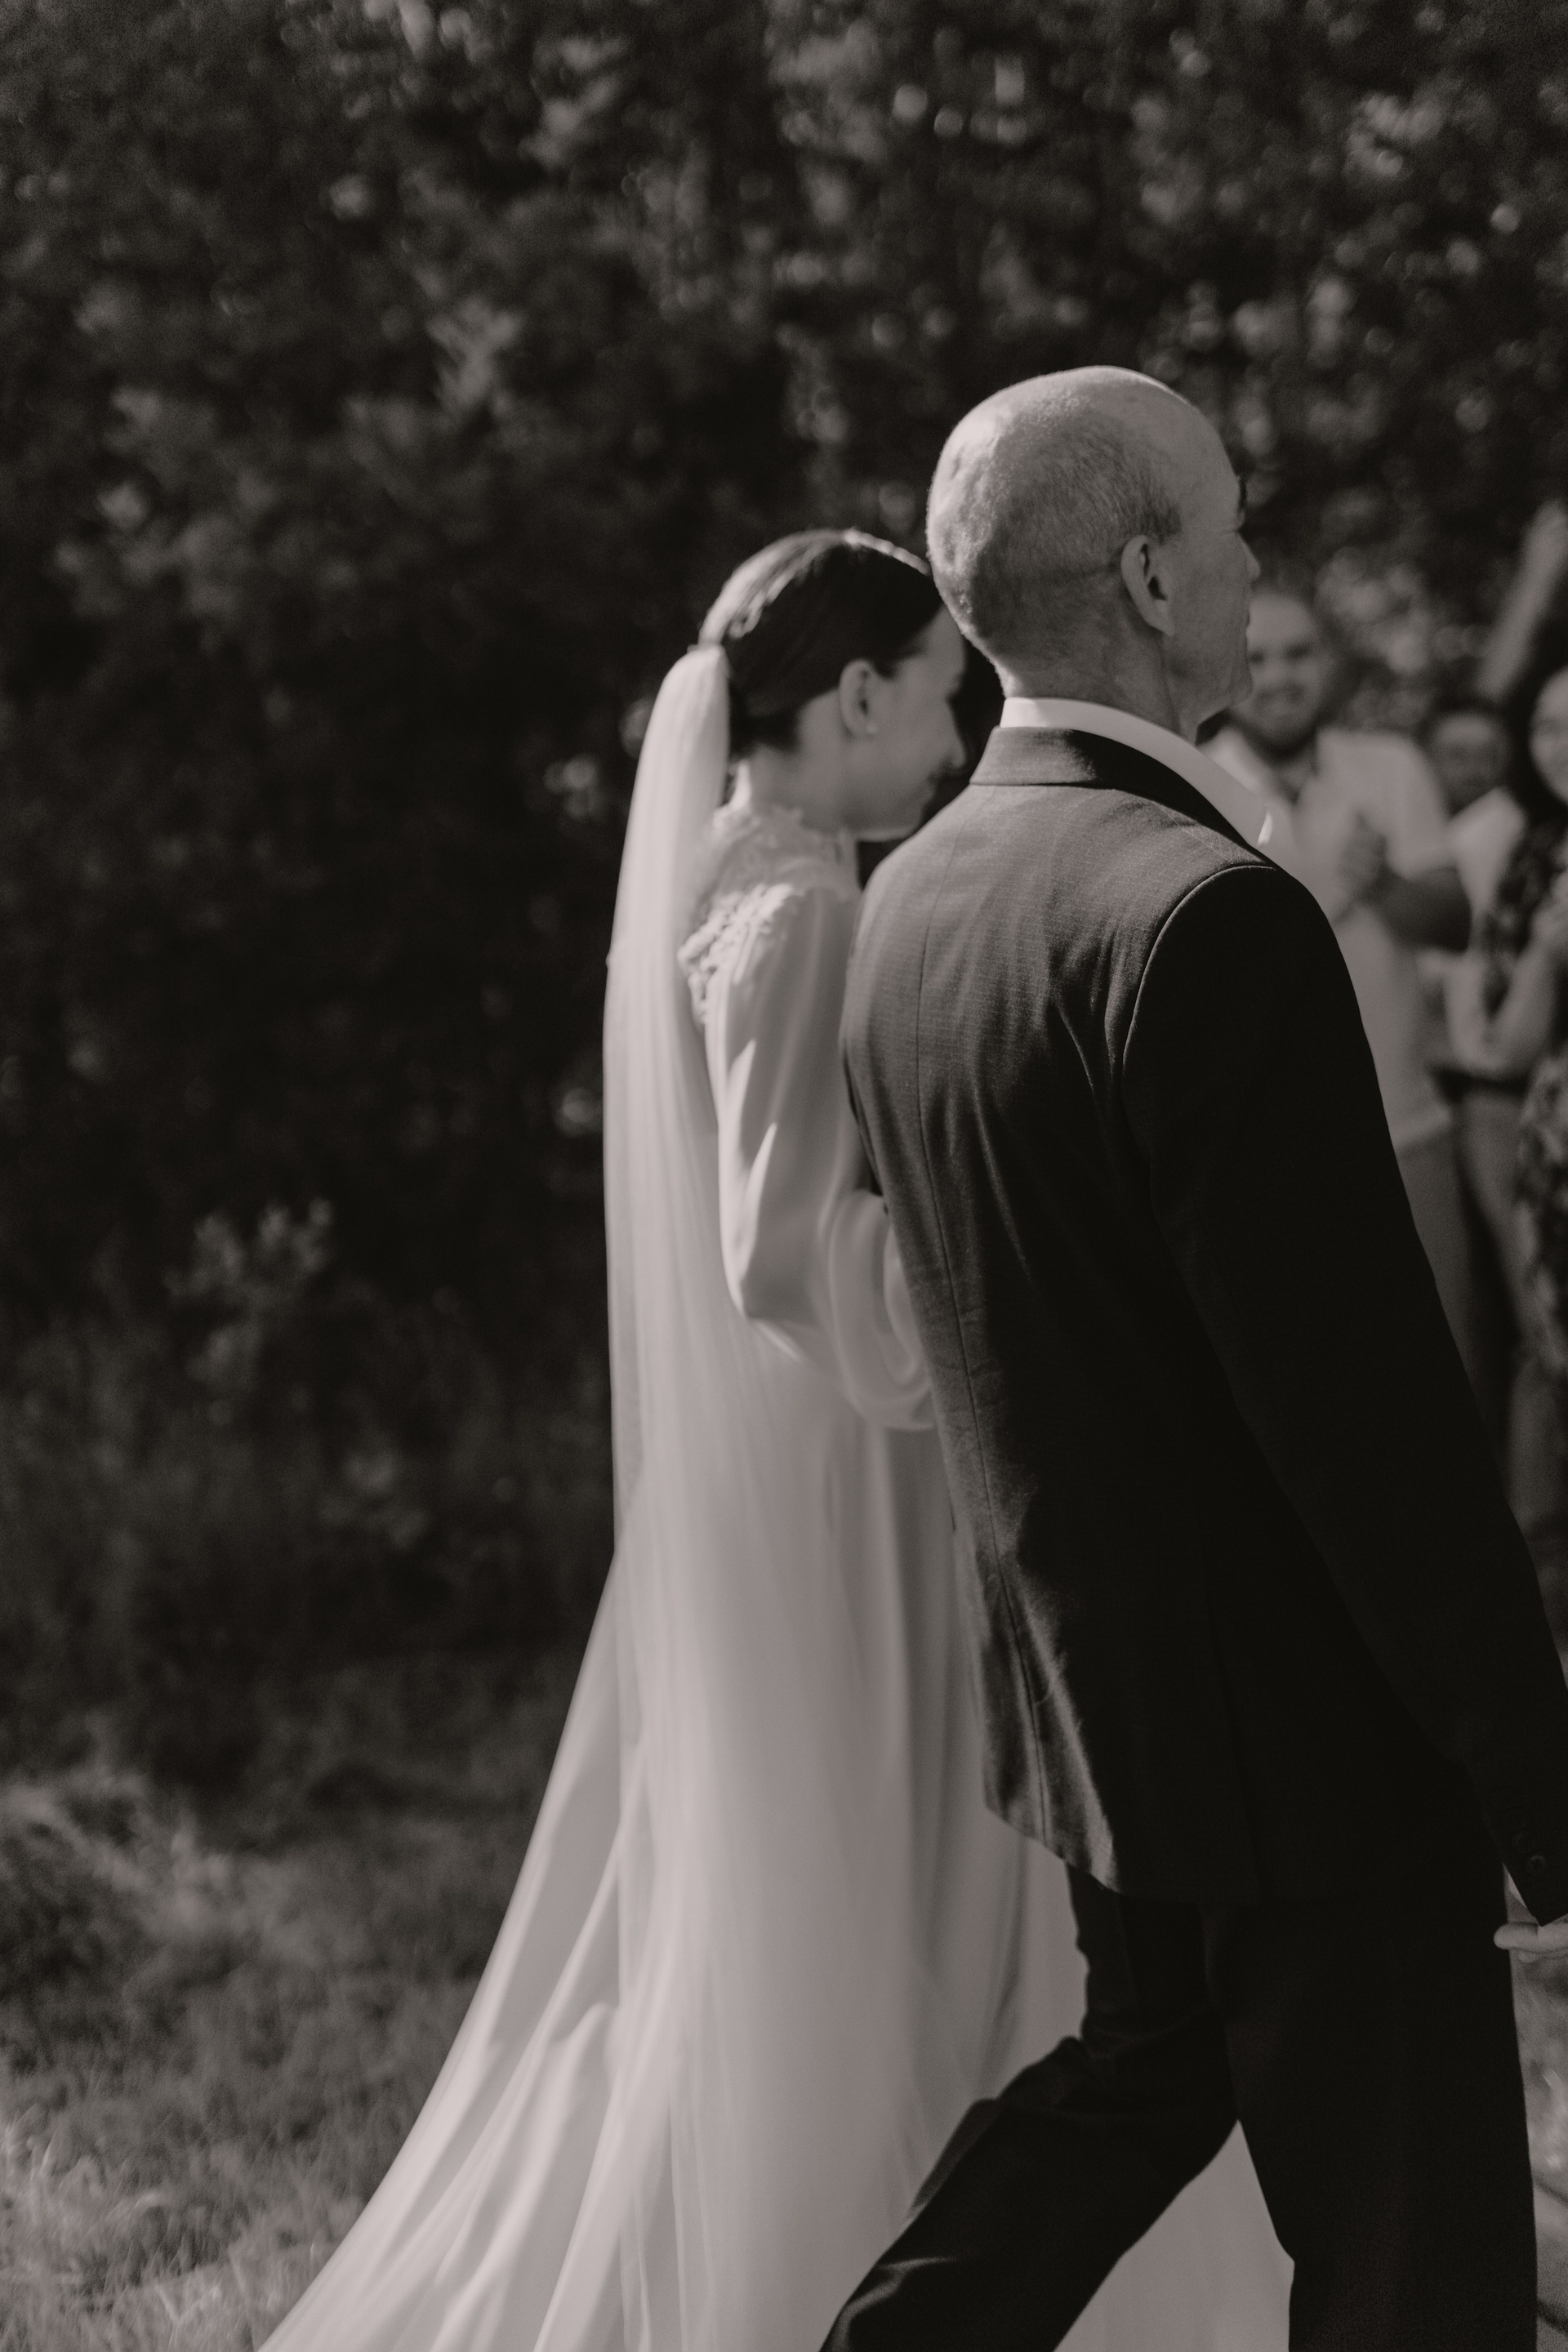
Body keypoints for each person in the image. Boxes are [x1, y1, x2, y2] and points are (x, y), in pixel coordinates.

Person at [257, 530, 1289, 2352]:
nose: (962, 738)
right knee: (894, 1865)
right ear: (857, 695)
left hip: (794, 1454)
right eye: (943, 696)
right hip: (853, 1448)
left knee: (860, 1874)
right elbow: (773, 1245)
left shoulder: (745, 874)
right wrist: (986, 1303)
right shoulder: (801, 906)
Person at [823, 367, 1568, 2352]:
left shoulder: (915, 897)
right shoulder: (1207, 915)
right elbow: (1362, 1412)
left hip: (1104, 1710)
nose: (1254, 566)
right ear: (1153, 578)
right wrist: (1525, 1761)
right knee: (1419, 2264)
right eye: (1234, 528)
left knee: (1141, 2076)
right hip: (1309, 1745)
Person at [1205, 587, 1476, 1363]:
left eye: (1299, 654)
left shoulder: (1391, 766)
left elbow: (1456, 925)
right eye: (1257, 658)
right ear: (1226, 668)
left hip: (1408, 1137)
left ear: (1329, 661)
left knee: (1448, 1373)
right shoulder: (1194, 787)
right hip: (1269, 1160)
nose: (1280, 677)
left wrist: (1384, 885)